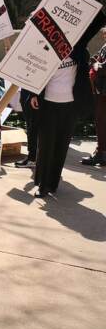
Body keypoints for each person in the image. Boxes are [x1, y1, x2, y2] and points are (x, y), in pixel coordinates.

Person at [27, 10, 106, 197]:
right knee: (45, 145)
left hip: (70, 105)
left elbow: (97, 22)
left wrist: (81, 3)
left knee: (61, 146)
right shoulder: (45, 46)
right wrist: (33, 94)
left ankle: (52, 184)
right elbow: (34, 69)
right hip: (48, 104)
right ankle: (42, 185)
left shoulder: (78, 46)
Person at [82, 26, 106, 166]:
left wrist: (96, 64)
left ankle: (100, 154)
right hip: (101, 90)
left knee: (102, 122)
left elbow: (102, 67)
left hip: (103, 92)